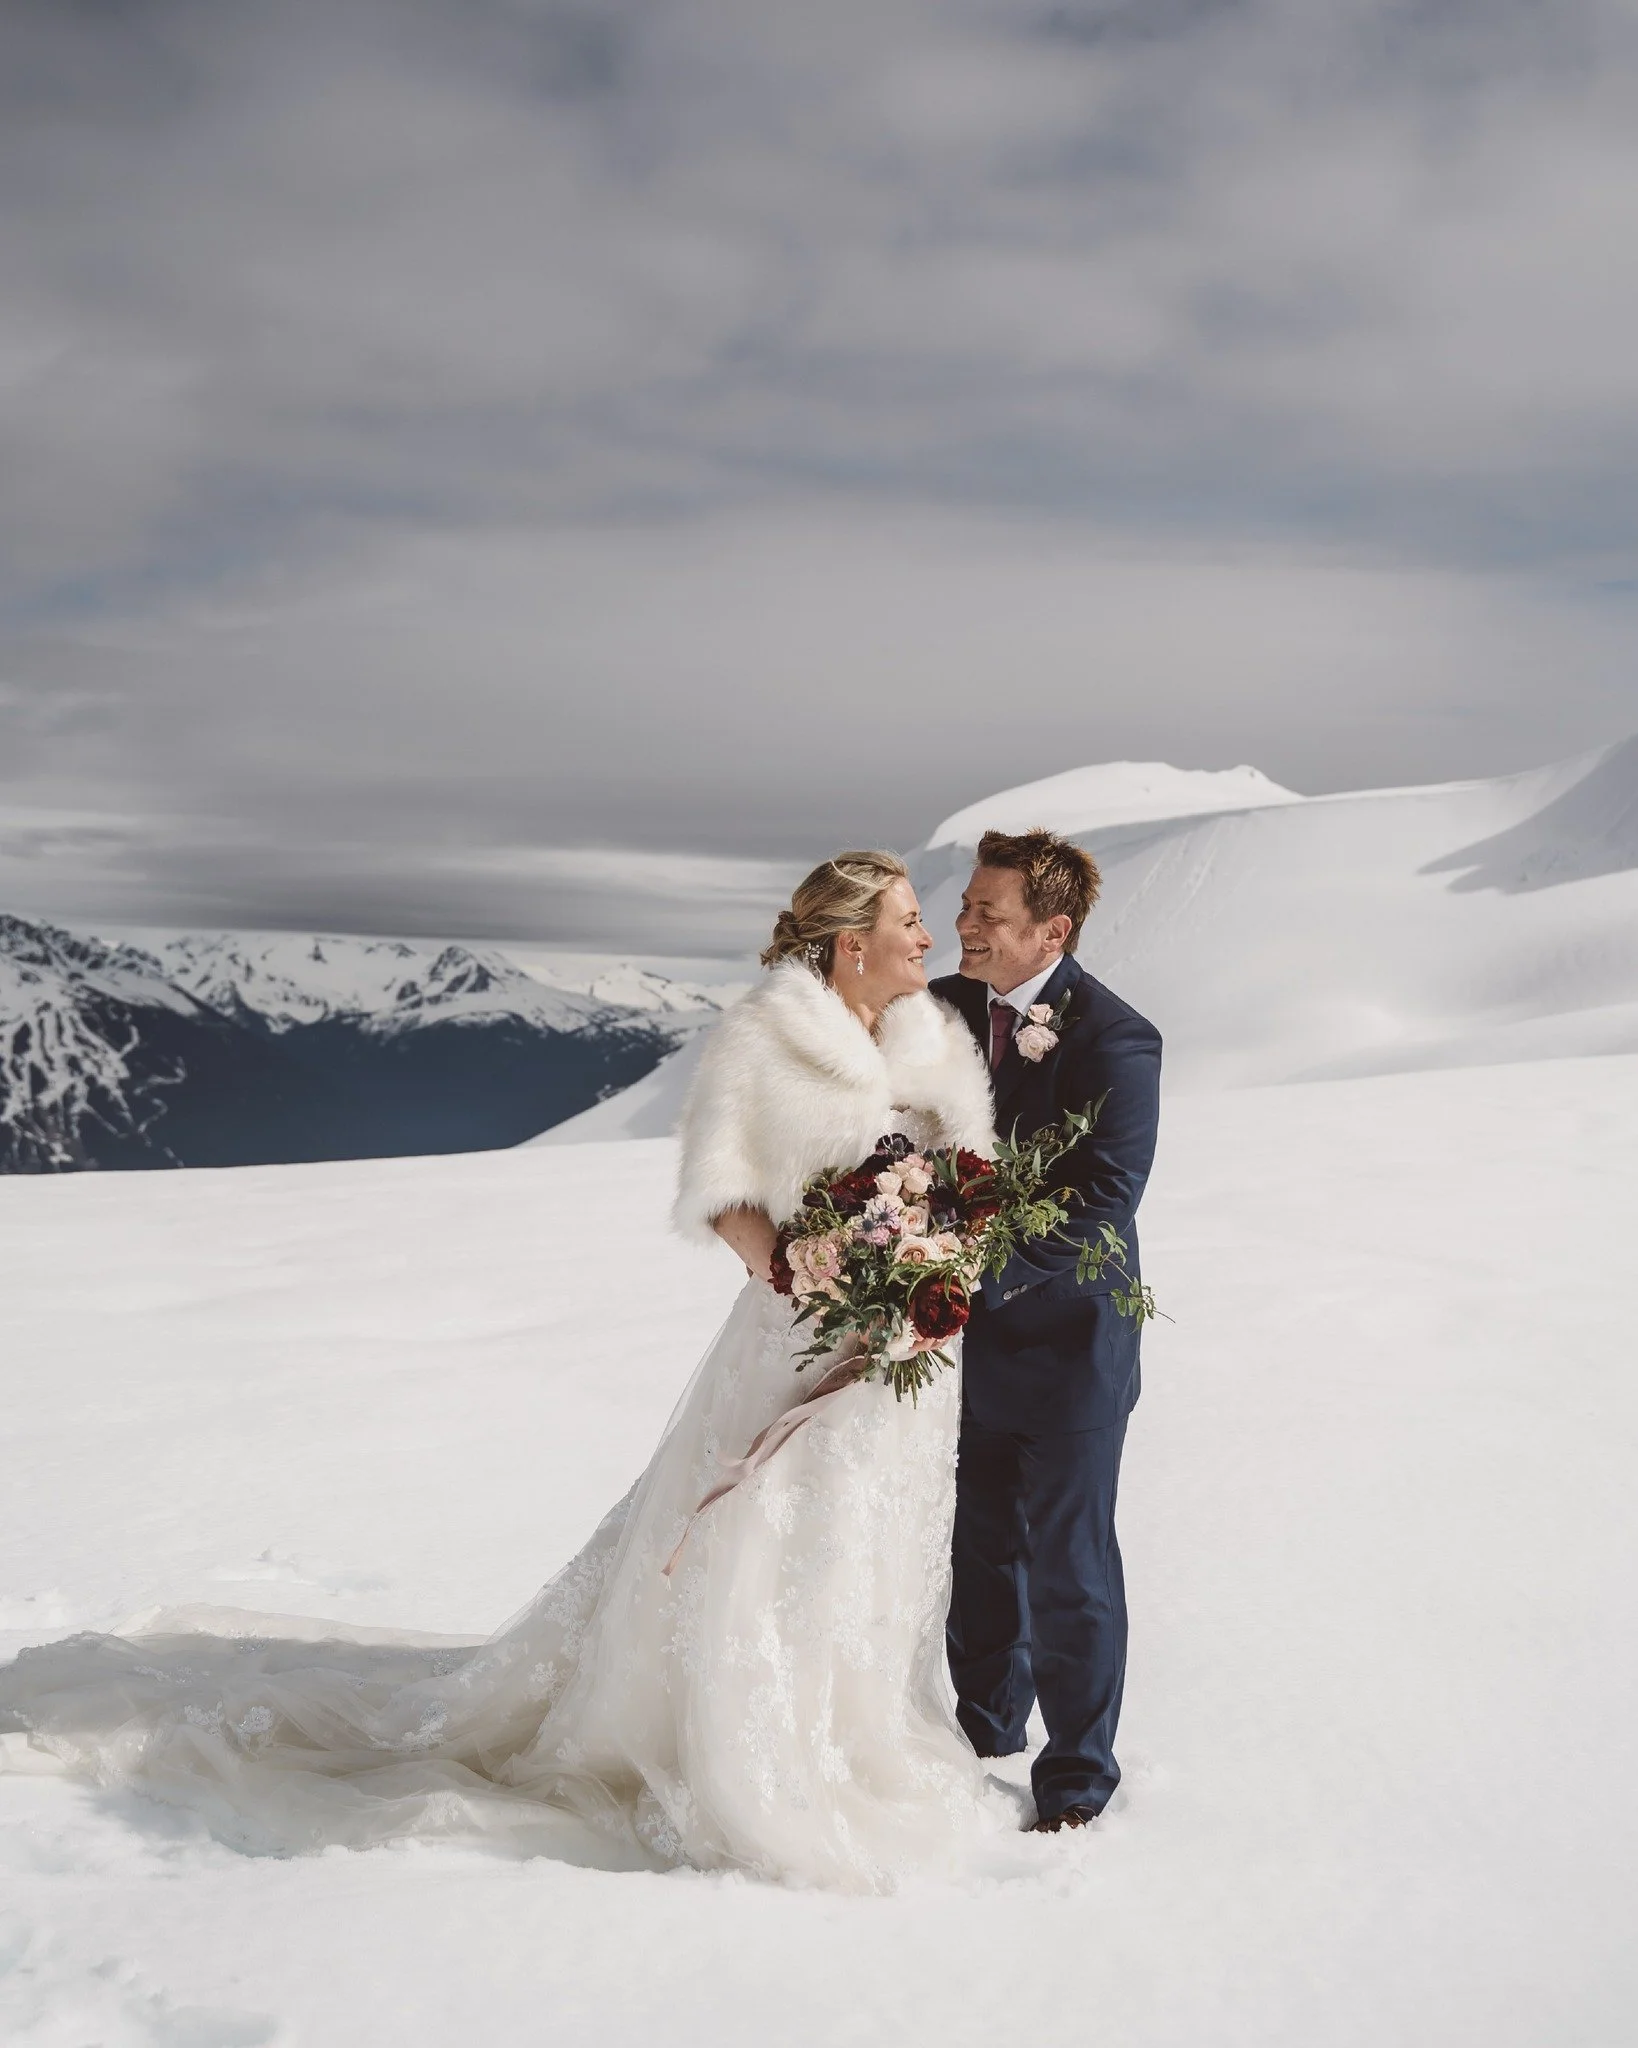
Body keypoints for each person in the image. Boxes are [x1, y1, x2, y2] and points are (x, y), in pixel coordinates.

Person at [0, 853, 1002, 1893]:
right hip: (794, 1339)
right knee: (759, 1533)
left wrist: (939, 1266)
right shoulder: (767, 1035)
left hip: (904, 1363)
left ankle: (856, 1732)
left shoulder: (936, 1039)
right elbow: (722, 1185)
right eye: (909, 920)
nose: (927, 938)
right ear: (851, 942)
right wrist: (794, 1260)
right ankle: (750, 1753)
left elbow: (969, 1184)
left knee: (865, 1540)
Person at [931, 828, 1162, 1832]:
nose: (965, 924)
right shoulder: (938, 1009)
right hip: (956, 1341)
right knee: (979, 1548)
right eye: (966, 906)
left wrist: (963, 1269)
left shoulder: (1117, 1037)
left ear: (1051, 930)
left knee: (1068, 1560)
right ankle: (983, 1734)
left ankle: (1075, 1777)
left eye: (988, 912)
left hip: (1070, 1342)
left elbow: (1104, 1197)